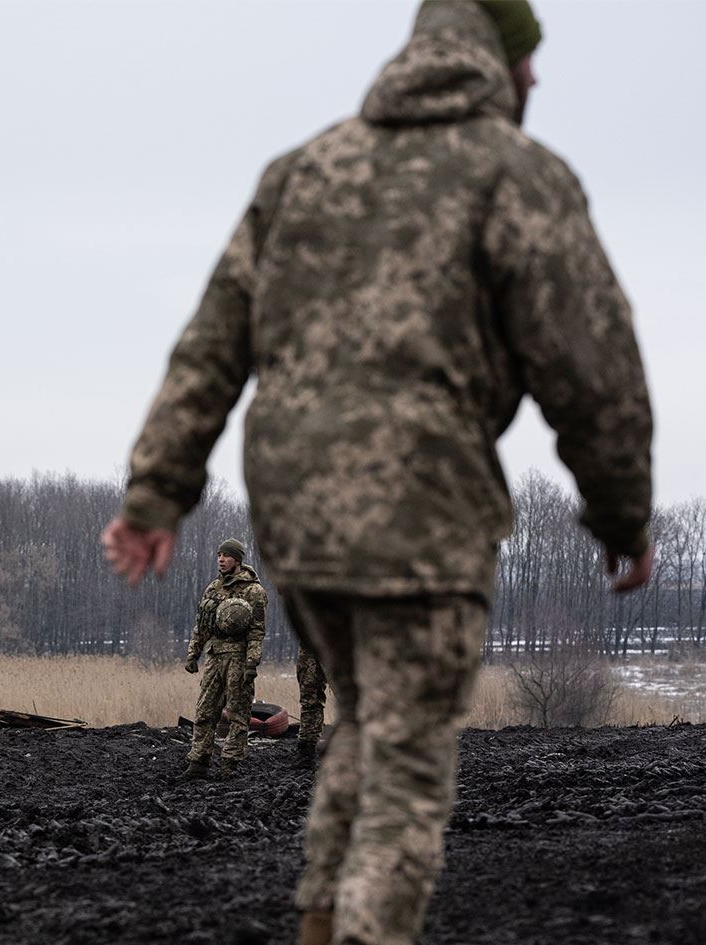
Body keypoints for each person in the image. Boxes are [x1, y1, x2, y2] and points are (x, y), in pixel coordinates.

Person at [100, 3, 654, 943]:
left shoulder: (305, 170)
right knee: (409, 763)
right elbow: (592, 367)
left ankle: (322, 921)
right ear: (497, 59)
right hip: (419, 514)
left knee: (367, 721)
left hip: (298, 518)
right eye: (529, 58)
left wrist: (157, 491)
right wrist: (623, 516)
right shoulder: (517, 174)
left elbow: (211, 343)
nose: (536, 79)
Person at [182, 538, 266, 781]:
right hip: (215, 656)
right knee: (205, 710)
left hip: (238, 658)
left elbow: (257, 631)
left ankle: (230, 763)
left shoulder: (254, 591)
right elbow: (202, 625)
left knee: (238, 713)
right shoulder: (213, 588)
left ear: (237, 560)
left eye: (226, 555)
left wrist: (251, 663)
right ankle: (198, 761)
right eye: (219, 554)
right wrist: (193, 653)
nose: (221, 559)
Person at [295, 645, 326, 766]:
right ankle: (306, 750)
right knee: (309, 699)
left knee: (351, 698)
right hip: (309, 648)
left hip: (340, 644)